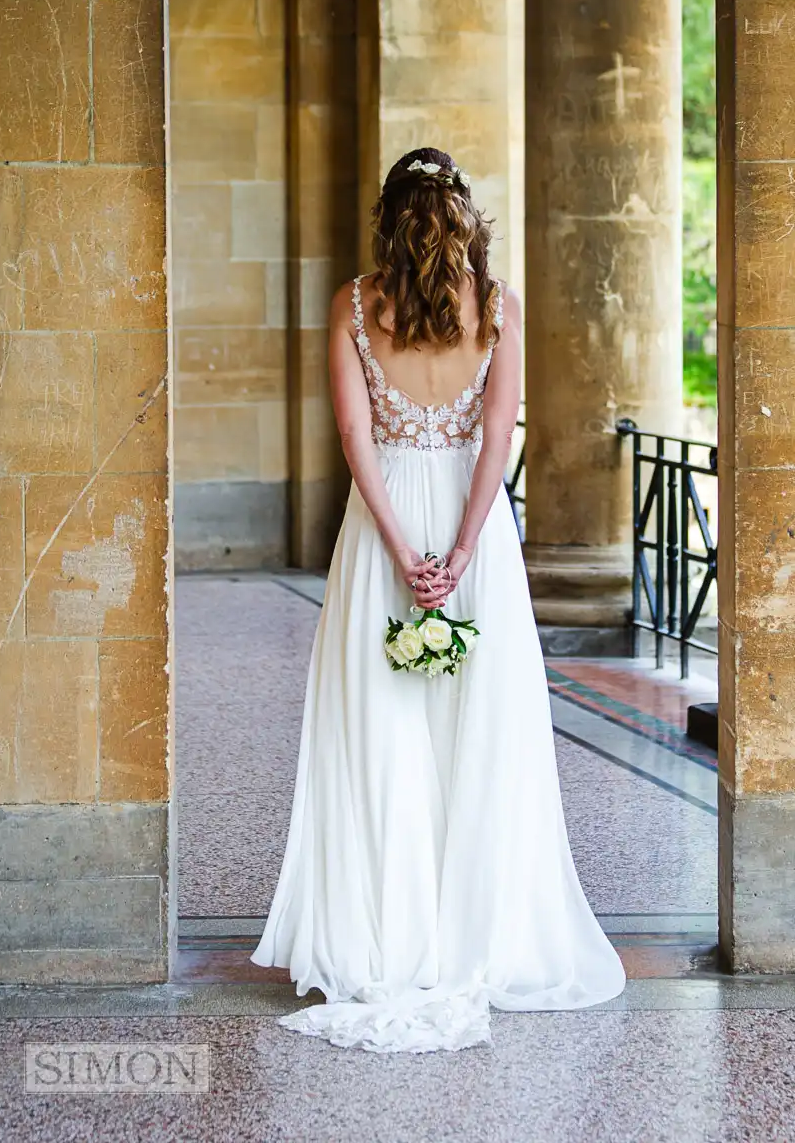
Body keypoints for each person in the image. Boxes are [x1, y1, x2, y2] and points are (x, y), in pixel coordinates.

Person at [251, 147, 626, 1051]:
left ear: (388, 219)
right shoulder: (497, 309)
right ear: (464, 221)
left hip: (383, 529)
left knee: (379, 725)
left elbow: (354, 435)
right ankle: (480, 932)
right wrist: (461, 549)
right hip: (473, 526)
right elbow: (500, 435)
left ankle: (381, 937)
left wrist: (398, 547)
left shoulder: (354, 304)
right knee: (483, 730)